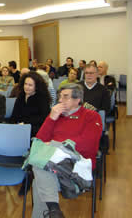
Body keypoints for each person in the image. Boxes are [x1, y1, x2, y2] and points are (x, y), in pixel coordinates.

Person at [32, 83, 102, 218]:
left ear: (77, 100)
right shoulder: (57, 116)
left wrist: (53, 145)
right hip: (52, 164)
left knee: (38, 167)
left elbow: (88, 144)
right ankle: (54, 212)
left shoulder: (91, 116)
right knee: (39, 170)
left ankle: (53, 210)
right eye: (59, 97)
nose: (60, 100)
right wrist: (51, 118)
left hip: (76, 165)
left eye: (65, 97)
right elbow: (40, 141)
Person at [10, 72, 51, 137]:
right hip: (19, 127)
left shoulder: (42, 98)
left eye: (30, 85)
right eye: (25, 84)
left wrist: (25, 124)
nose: (26, 87)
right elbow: (14, 115)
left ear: (36, 86)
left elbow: (43, 118)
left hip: (35, 129)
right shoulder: (21, 96)